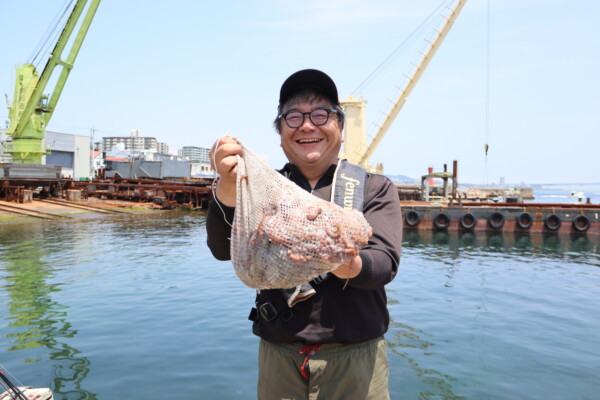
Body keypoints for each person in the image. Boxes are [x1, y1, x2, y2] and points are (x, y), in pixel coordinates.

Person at [206, 69, 402, 399]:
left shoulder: (374, 188)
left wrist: (340, 258)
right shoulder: (263, 189)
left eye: (320, 114)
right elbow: (222, 249)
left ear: (340, 127)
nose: (307, 125)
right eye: (293, 117)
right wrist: (226, 186)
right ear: (280, 132)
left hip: (356, 357)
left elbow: (384, 264)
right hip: (279, 354)